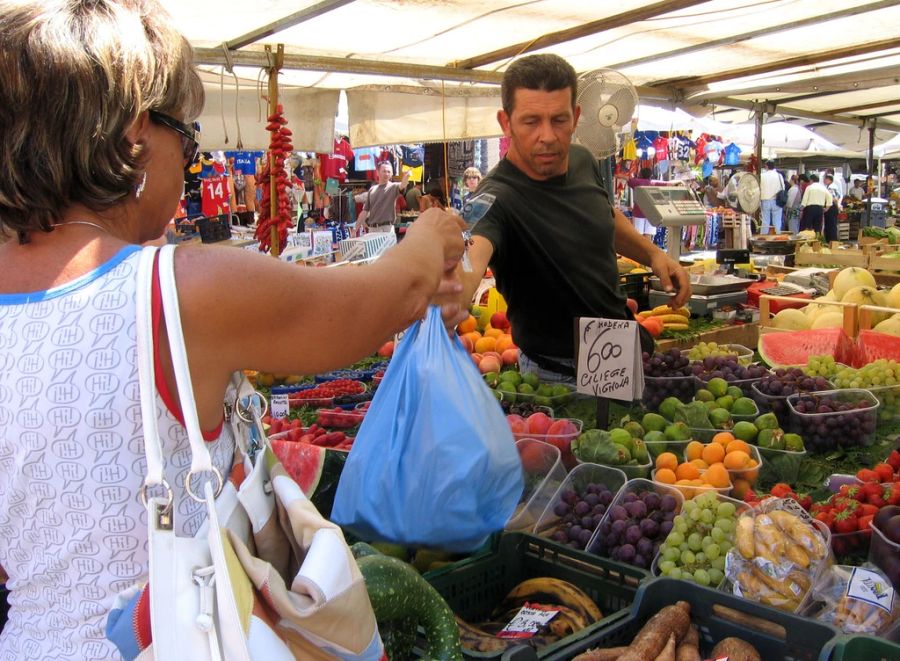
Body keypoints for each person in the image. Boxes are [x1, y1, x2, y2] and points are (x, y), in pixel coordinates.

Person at [0, 1, 467, 658]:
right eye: (187, 138)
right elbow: (377, 301)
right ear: (136, 135)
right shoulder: (180, 289)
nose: (192, 163)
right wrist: (430, 236)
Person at [459, 53, 691, 382]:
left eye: (559, 120)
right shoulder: (491, 197)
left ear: (576, 116)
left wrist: (653, 253)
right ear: (505, 122)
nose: (548, 136)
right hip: (555, 371)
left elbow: (602, 215)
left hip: (615, 349)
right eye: (531, 121)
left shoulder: (582, 159)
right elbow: (469, 253)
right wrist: (455, 283)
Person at [359, 161, 411, 232]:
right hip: (372, 229)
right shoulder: (372, 189)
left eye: (389, 172)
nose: (386, 174)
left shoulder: (394, 186)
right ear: (378, 172)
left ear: (392, 174)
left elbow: (402, 185)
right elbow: (365, 211)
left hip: (387, 229)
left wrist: (406, 177)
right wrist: (355, 228)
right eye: (384, 171)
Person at [627, 167, 665, 239]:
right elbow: (667, 184)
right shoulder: (654, 183)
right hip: (652, 213)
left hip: (638, 213)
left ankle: (638, 250)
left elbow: (627, 179)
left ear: (640, 174)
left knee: (638, 236)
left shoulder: (636, 182)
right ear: (650, 175)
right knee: (648, 236)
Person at [759, 160, 785, 234]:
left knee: (765, 221)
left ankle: (763, 238)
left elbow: (759, 188)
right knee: (777, 221)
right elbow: (783, 188)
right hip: (777, 201)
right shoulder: (779, 176)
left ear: (766, 166)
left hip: (765, 200)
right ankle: (777, 237)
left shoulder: (762, 176)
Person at [823, 174, 842, 243]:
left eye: (824, 179)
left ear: (828, 180)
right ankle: (831, 241)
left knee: (831, 226)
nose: (823, 181)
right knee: (831, 225)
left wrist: (837, 207)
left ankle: (832, 241)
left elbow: (834, 199)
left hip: (831, 208)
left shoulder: (831, 187)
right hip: (832, 207)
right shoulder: (831, 186)